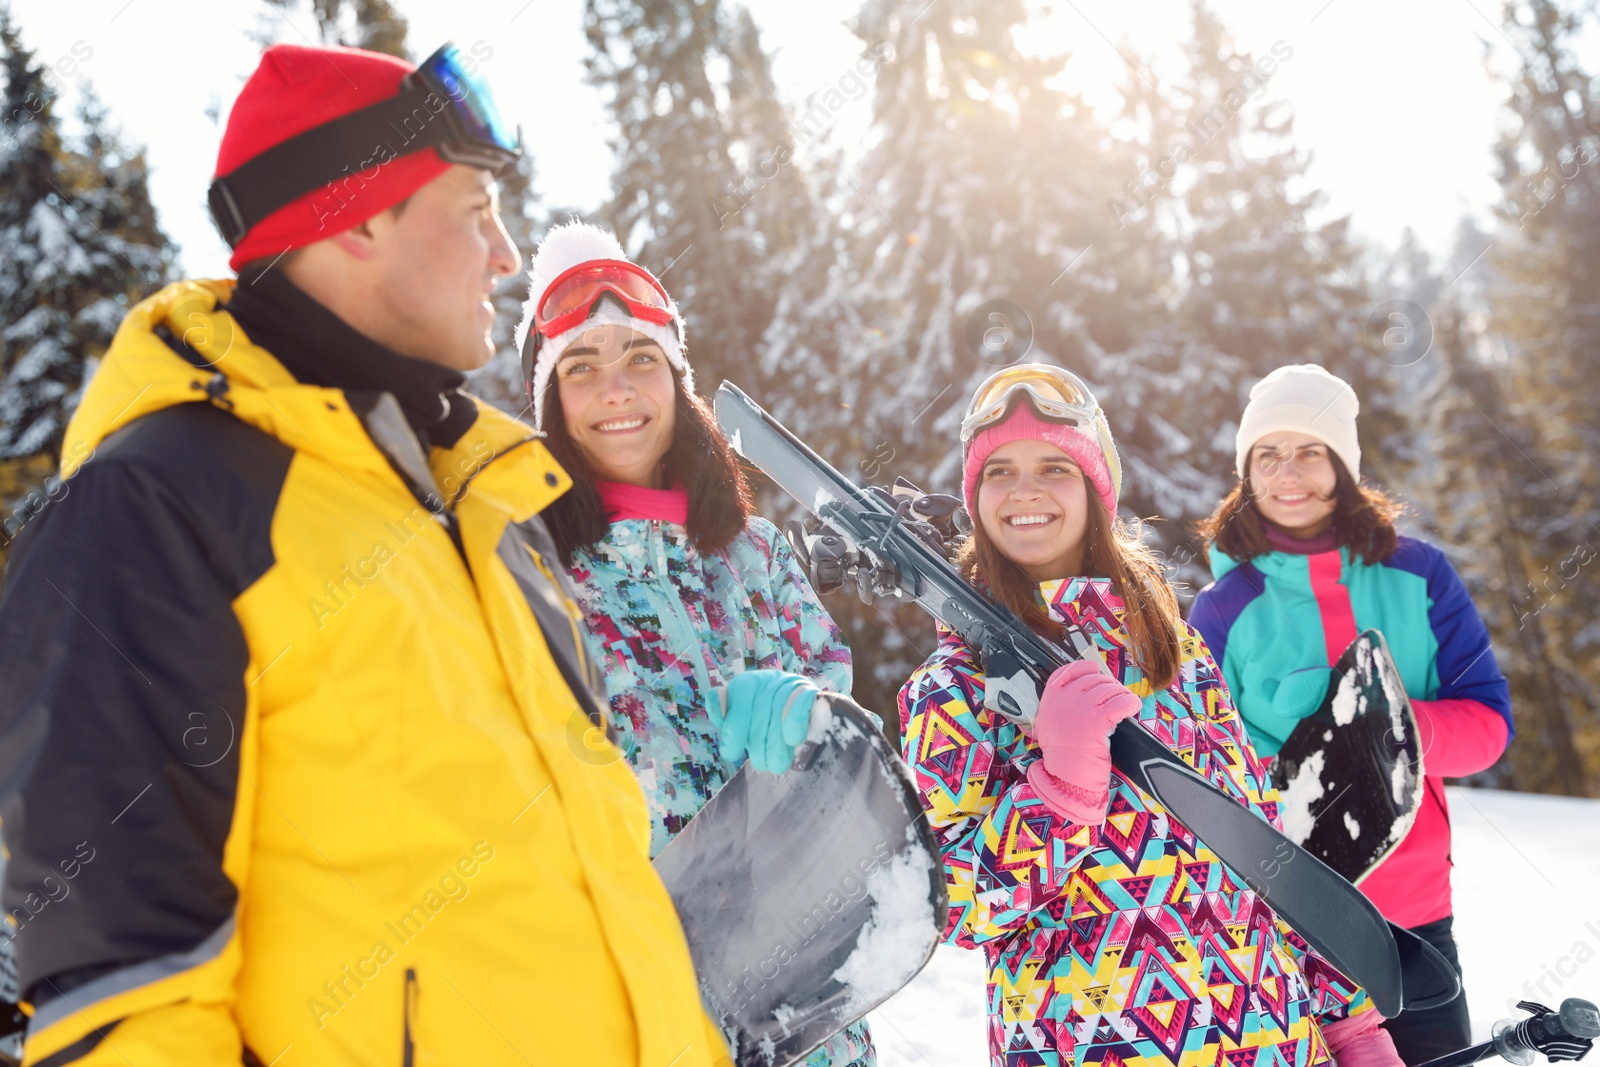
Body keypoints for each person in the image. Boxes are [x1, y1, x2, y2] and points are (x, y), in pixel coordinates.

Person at [0, 44, 731, 1067]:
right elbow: (127, 999)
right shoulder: (162, 505)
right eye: (477, 210)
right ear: (352, 218)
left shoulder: (486, 504)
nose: (508, 253)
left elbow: (598, 888)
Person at [898, 363, 1401, 1067]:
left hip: (1271, 1041)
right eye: (999, 472)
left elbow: (1266, 855)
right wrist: (1059, 794)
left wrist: (1349, 1023)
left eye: (1054, 466)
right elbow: (950, 905)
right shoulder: (954, 686)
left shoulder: (1175, 650)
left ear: (1097, 489)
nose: (1026, 491)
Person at [514, 220, 875, 1066]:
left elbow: (853, 763)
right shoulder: (526, 569)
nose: (617, 390)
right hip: (632, 1005)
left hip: (803, 1008)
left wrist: (812, 720)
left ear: (677, 381)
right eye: (582, 366)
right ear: (550, 401)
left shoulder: (757, 555)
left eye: (641, 358)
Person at [1191, 363, 1512, 1064]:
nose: (1288, 473)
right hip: (1287, 925)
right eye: (1267, 456)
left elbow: (1488, 729)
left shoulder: (1421, 576)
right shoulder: (1224, 609)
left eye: (1310, 450)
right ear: (1248, 472)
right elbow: (1209, 770)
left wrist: (1396, 727)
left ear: (1342, 462)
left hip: (1416, 919)